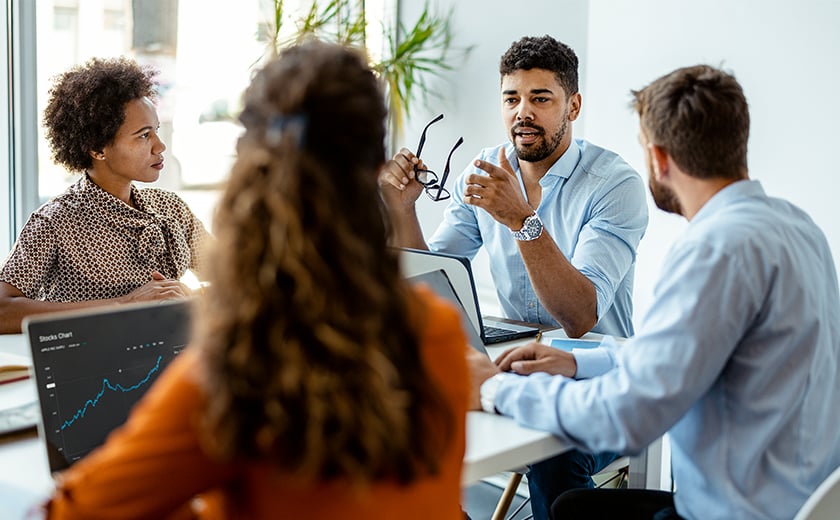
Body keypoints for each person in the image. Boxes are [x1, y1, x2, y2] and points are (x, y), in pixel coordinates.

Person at [44, 41, 470, 519]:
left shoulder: (236, 371)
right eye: (144, 136)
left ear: (249, 167)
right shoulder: (440, 332)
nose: (158, 147)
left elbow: (72, 513)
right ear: (377, 167)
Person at [468, 64, 840, 520]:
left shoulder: (714, 251)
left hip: (727, 512)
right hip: (796, 501)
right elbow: (687, 355)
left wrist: (495, 388)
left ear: (659, 159)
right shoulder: (798, 228)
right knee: (572, 506)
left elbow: (625, 417)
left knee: (572, 508)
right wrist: (579, 360)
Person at [379, 35, 649, 518]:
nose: (523, 112)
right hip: (514, 363)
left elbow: (579, 316)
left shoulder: (615, 185)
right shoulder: (482, 172)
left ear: (574, 105)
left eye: (540, 98)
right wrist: (403, 211)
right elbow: (435, 285)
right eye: (512, 98)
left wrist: (521, 220)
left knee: (554, 455)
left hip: (599, 380)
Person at [0, 56, 209, 334]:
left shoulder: (171, 208)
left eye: (156, 131)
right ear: (98, 149)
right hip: (92, 369)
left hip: (169, 358)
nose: (160, 146)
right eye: (144, 135)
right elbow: (3, 310)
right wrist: (123, 304)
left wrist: (191, 299)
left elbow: (235, 277)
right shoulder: (56, 222)